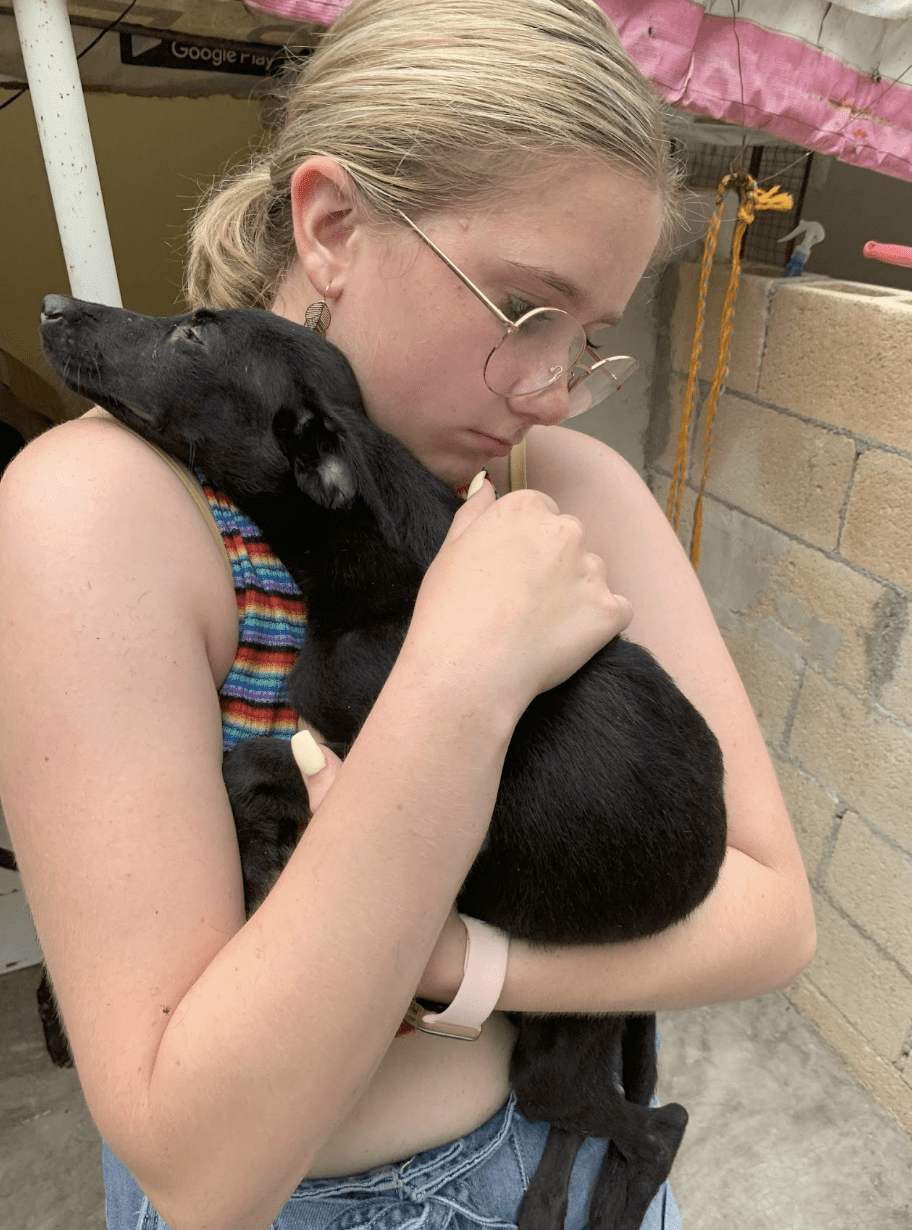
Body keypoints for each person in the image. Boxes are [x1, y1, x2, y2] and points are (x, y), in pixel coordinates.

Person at [0, 2, 815, 1228]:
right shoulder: (111, 510)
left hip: (583, 1176)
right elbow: (201, 1160)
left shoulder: (560, 487)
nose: (553, 391)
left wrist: (460, 967)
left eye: (589, 337)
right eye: (524, 309)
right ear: (331, 227)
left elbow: (772, 913)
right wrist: (465, 676)